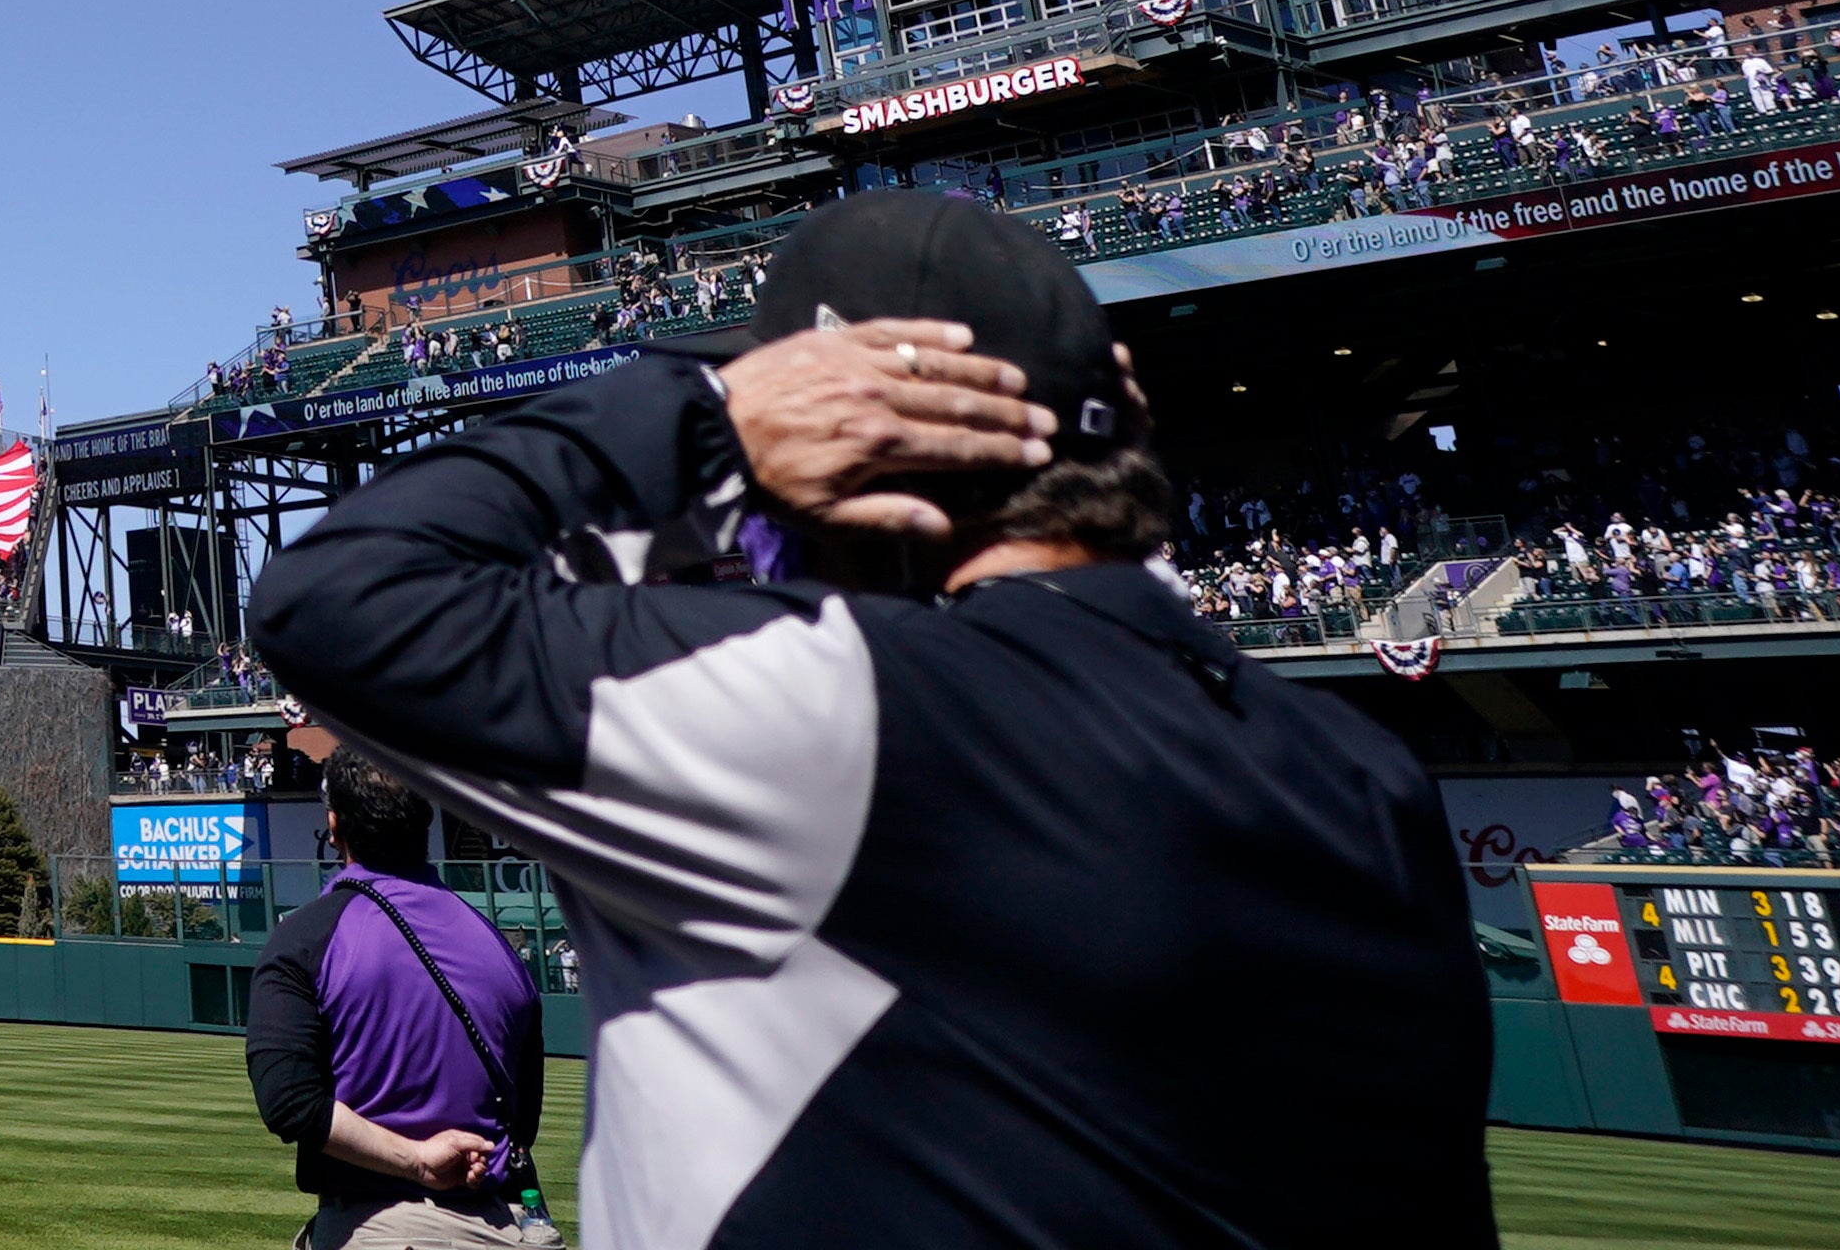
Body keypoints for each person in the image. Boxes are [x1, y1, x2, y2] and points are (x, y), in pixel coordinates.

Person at [248, 191, 1489, 1250]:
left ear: (846, 441)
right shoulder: (1362, 773)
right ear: (1123, 400)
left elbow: (335, 600)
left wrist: (702, 415)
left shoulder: (835, 704)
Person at [245, 747, 552, 1248]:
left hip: (386, 1227)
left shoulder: (306, 936)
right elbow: (525, 1116)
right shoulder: (495, 943)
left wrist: (417, 1160)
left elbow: (290, 1102)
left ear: (334, 825)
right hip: (512, 1226)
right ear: (422, 824)